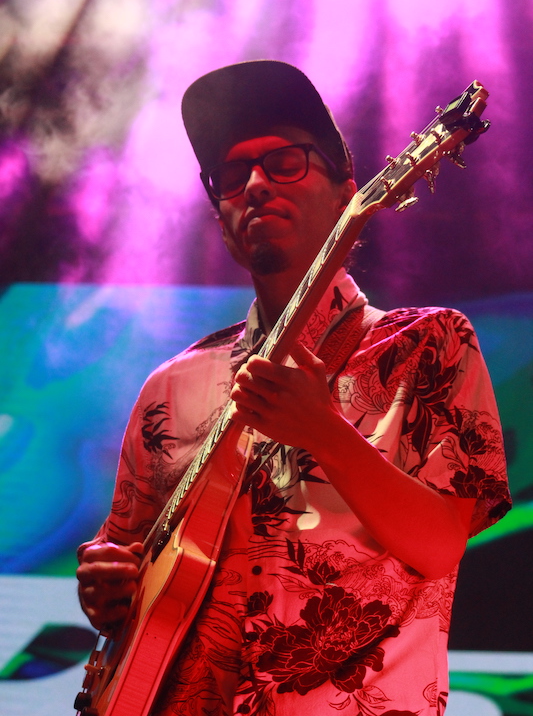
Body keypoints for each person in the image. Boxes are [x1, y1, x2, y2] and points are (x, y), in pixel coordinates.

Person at [76, 60, 511, 716]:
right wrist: (105, 585)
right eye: (231, 175)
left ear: (347, 190)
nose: (253, 184)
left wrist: (325, 432)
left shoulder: (429, 344)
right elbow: (127, 556)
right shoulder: (171, 387)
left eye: (284, 161)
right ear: (219, 218)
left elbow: (441, 544)